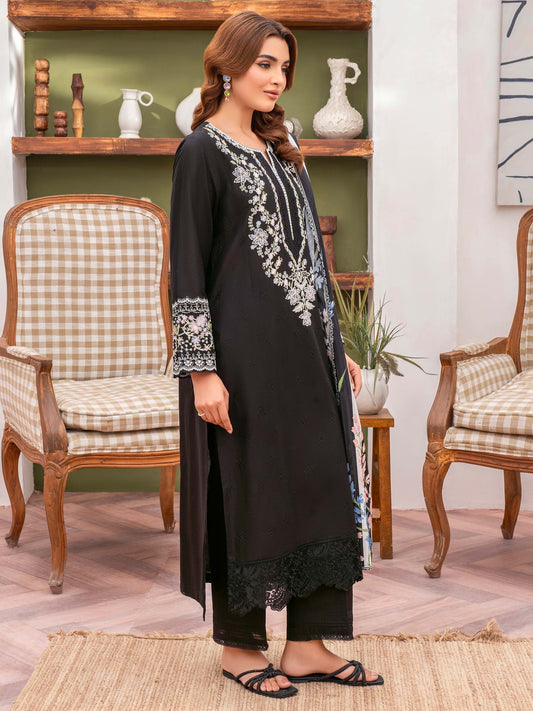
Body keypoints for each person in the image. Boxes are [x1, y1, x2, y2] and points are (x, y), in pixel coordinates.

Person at [170, 10, 381, 699]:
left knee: (318, 484)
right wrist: (202, 371)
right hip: (240, 357)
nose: (276, 78)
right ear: (227, 64)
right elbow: (187, 270)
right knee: (248, 489)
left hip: (305, 352)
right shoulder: (201, 152)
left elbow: (313, 258)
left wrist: (337, 346)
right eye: (264, 63)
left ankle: (308, 646)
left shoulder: (283, 145)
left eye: (284, 67)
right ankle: (239, 647)